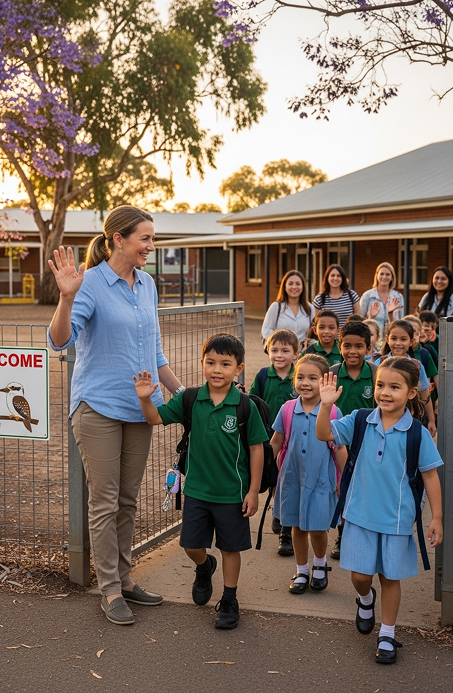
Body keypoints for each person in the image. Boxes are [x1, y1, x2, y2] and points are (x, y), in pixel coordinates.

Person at [47, 205, 184, 626]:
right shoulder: (88, 283)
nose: (151, 246)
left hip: (140, 410)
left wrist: (185, 395)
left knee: (127, 500)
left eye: (153, 239)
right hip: (98, 408)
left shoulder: (147, 285)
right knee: (104, 503)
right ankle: (108, 589)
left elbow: (155, 354)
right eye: (145, 238)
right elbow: (59, 341)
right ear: (118, 240)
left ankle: (124, 579)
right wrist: (67, 297)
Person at [134, 333, 268, 630]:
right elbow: (155, 419)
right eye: (211, 362)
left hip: (233, 494)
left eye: (225, 364)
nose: (217, 369)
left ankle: (230, 599)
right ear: (202, 363)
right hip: (196, 490)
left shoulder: (245, 406)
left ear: (238, 368)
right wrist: (145, 399)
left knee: (230, 548)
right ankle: (204, 566)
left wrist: (254, 491)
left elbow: (257, 448)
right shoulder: (190, 398)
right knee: (192, 545)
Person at [317, 358, 443, 664]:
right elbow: (324, 434)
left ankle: (387, 633)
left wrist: (437, 517)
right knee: (360, 576)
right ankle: (365, 599)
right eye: (381, 385)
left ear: (412, 393)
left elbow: (430, 475)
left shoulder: (416, 433)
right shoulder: (360, 419)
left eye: (395, 387)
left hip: (397, 520)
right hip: (358, 515)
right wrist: (325, 406)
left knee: (389, 578)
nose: (385, 392)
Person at [271, 354, 347, 595]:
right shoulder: (287, 409)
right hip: (292, 479)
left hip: (322, 481)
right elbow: (276, 442)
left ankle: (320, 565)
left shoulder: (334, 412)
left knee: (317, 528)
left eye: (313, 378)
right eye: (300, 377)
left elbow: (340, 449)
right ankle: (302, 570)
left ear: (326, 381)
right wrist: (265, 474)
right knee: (297, 528)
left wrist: (345, 482)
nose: (305, 383)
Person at [327, 321, 378, 560]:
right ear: (340, 346)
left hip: (368, 443)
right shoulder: (333, 374)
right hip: (336, 441)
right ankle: (343, 533)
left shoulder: (376, 373)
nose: (353, 351)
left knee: (365, 491)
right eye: (347, 345)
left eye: (359, 346)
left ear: (369, 347)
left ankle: (366, 534)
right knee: (342, 489)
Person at [249, 328, 299, 555]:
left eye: (285, 351)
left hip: (294, 439)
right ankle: (278, 511)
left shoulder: (298, 377)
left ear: (295, 354)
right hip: (269, 439)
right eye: (274, 350)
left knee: (287, 481)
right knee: (274, 479)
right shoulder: (262, 375)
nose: (279, 355)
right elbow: (251, 404)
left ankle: (285, 532)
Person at [374, 320, 436, 437]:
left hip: (411, 420)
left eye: (403, 339)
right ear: (387, 339)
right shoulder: (379, 364)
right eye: (394, 338)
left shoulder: (417, 366)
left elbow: (425, 397)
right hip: (382, 420)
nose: (398, 343)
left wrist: (431, 420)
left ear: (411, 341)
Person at [261, 270, 315, 348]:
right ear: (284, 287)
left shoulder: (310, 308)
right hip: (282, 354)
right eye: (290, 284)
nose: (294, 287)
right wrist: (280, 343)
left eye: (298, 284)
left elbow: (313, 332)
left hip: (303, 354)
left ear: (303, 287)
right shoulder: (276, 307)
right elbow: (266, 331)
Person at [360, 262, 404, 343]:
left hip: (392, 341)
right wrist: (371, 316)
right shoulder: (367, 296)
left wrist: (390, 315)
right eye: (381, 274)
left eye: (387, 274)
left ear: (392, 277)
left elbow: (401, 323)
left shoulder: (398, 297)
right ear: (377, 276)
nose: (384, 277)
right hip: (372, 341)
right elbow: (360, 322)